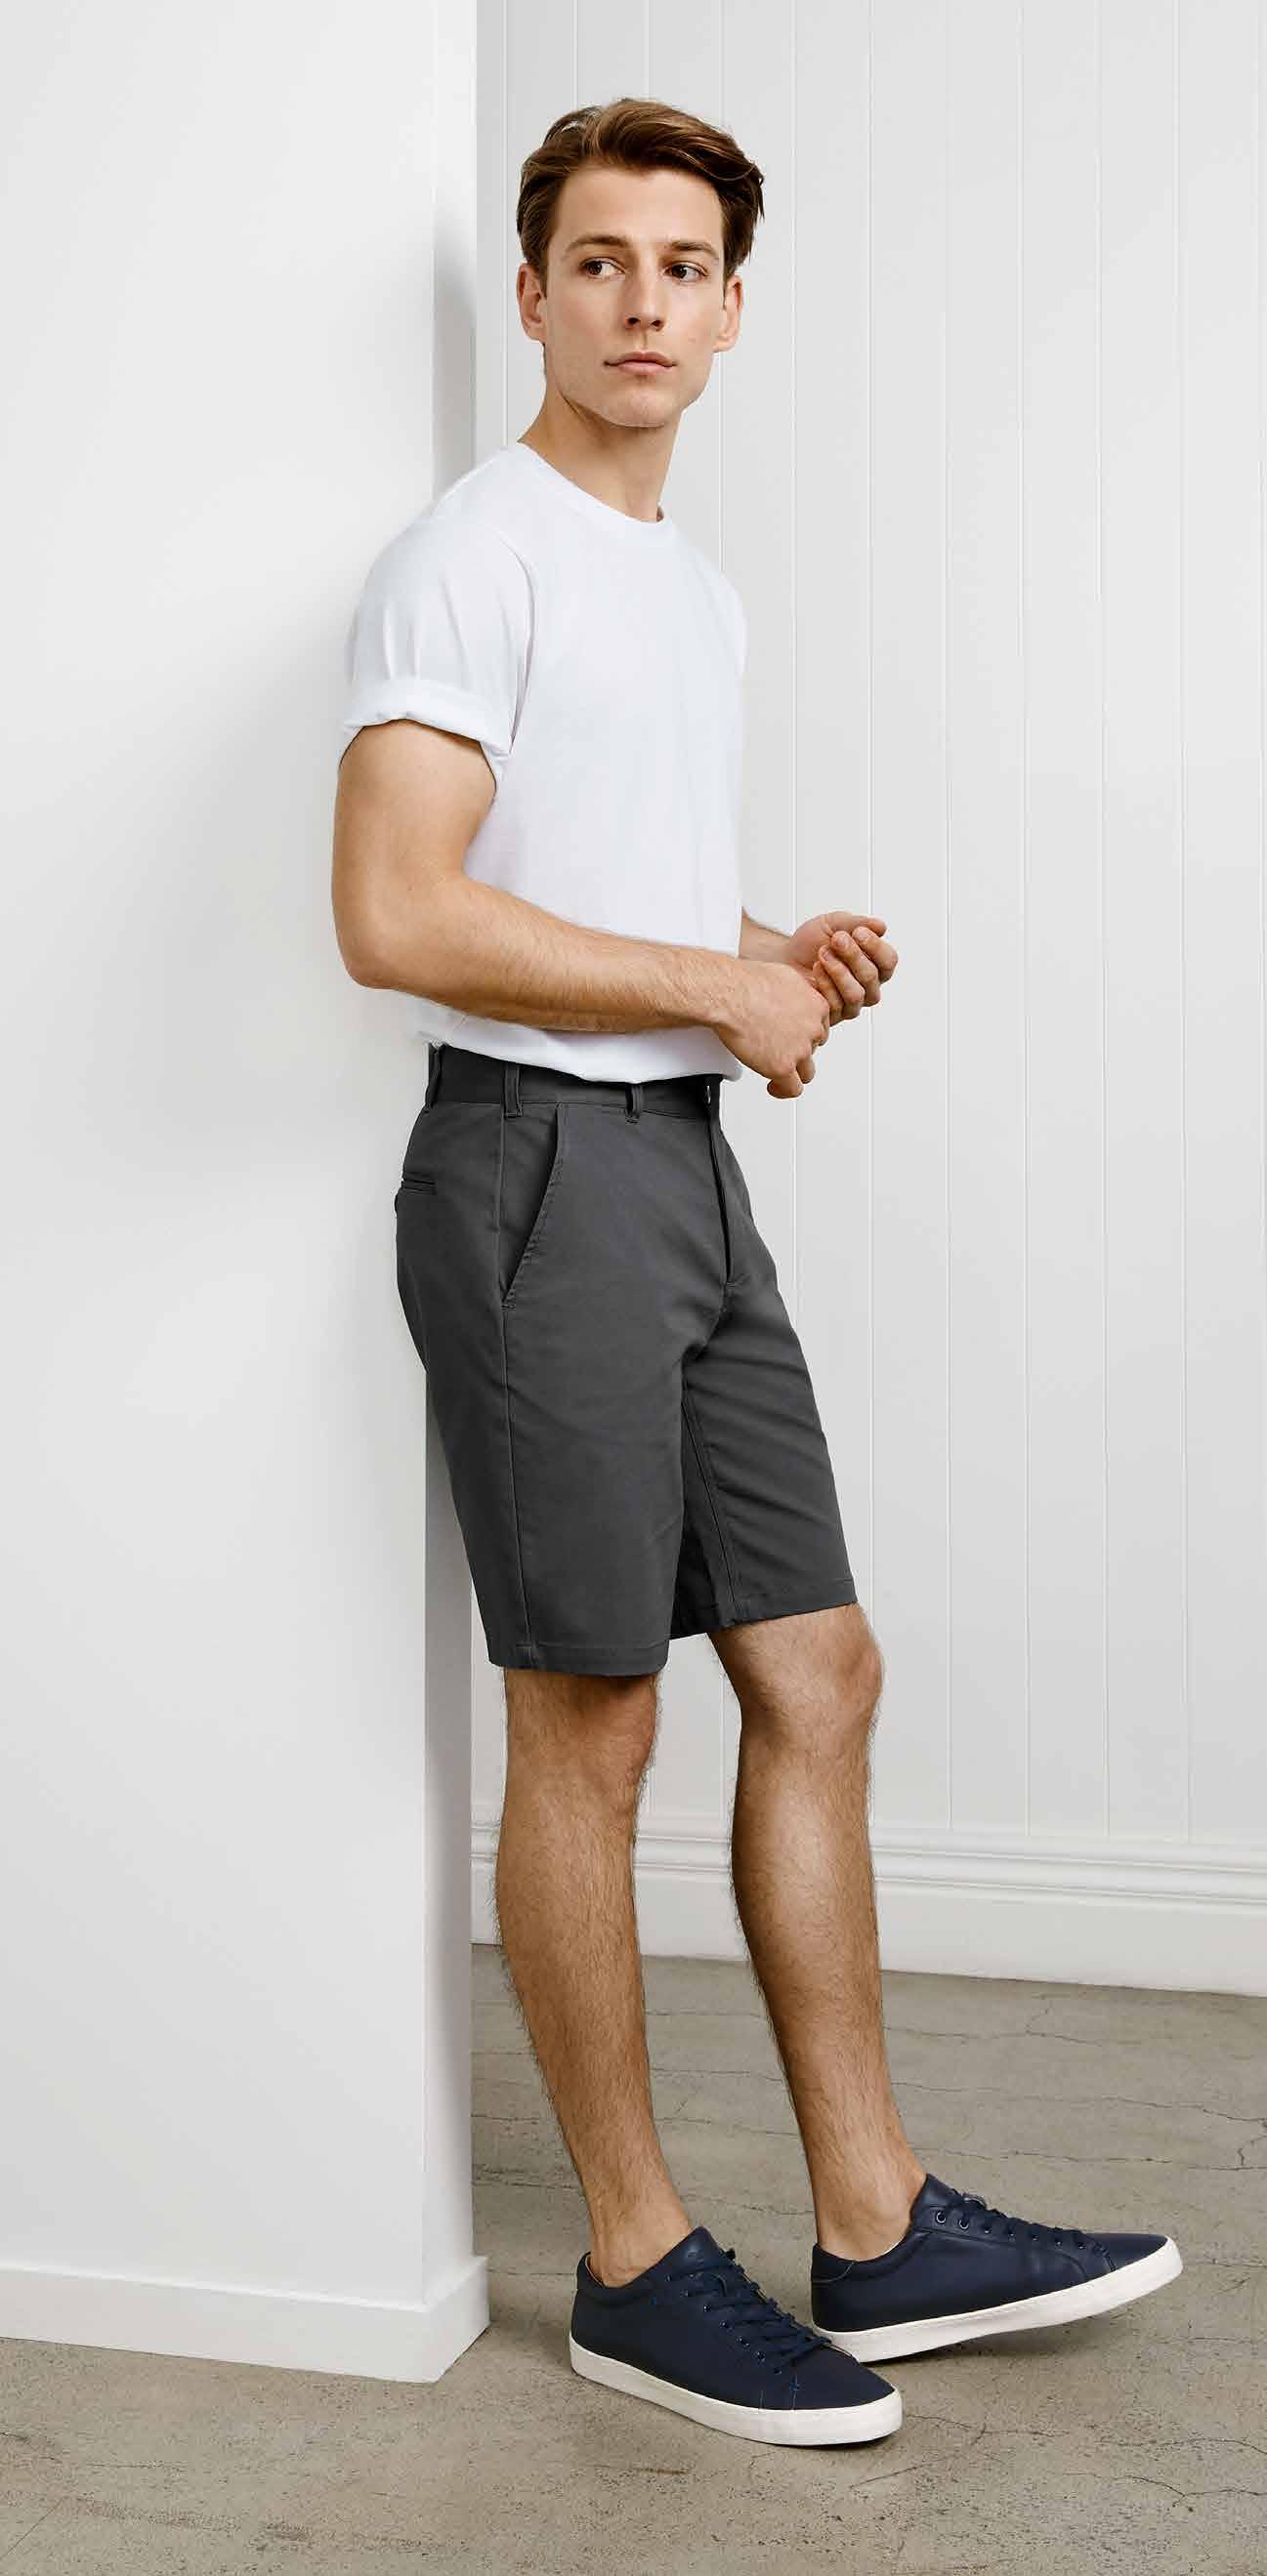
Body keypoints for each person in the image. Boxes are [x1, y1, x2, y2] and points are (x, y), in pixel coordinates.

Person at [331, 97, 1181, 2450]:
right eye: (598, 262)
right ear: (532, 297)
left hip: (681, 1171)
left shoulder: (685, 590)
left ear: (729, 310)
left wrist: (759, 950)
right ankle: (632, 2263)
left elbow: (582, 885)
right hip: (534, 1174)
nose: (641, 302)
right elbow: (396, 909)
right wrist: (706, 985)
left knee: (818, 1663)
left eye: (682, 266)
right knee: (590, 1712)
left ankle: (877, 2220)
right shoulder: (471, 554)